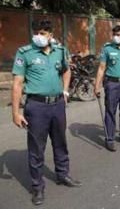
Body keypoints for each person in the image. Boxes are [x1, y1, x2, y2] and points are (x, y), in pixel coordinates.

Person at [11, 20, 82, 206]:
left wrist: (66, 90)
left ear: (50, 35)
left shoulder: (60, 51)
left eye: (43, 33)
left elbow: (67, 71)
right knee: (36, 149)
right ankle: (37, 187)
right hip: (36, 107)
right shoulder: (25, 52)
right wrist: (15, 112)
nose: (38, 36)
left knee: (60, 142)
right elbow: (17, 83)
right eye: (36, 32)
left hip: (57, 105)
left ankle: (62, 174)